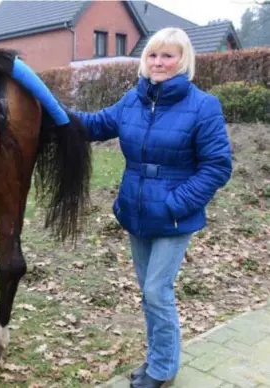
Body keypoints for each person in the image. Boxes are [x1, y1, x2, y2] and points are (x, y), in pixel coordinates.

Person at [70, 28, 232, 387]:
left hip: (174, 217)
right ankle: (159, 359)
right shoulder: (133, 100)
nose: (159, 63)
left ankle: (162, 369)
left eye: (167, 56)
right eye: (153, 56)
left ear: (182, 60)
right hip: (136, 214)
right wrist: (54, 113)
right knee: (149, 293)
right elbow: (96, 125)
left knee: (157, 292)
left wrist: (177, 204)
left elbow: (218, 166)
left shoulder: (203, 106)